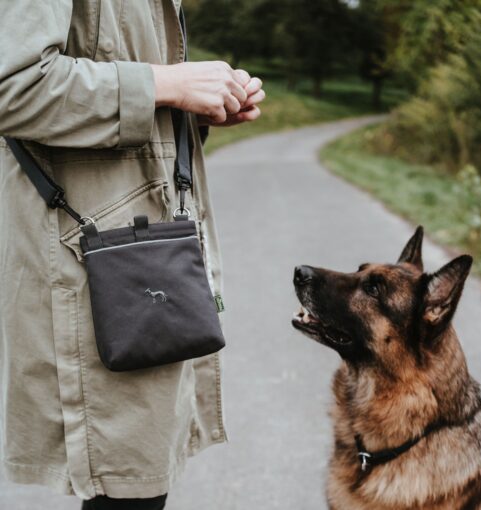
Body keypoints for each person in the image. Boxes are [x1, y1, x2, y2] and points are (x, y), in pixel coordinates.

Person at [0, 1, 265, 509]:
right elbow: (14, 85)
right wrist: (166, 84)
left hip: (145, 256)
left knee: (138, 487)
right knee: (127, 492)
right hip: (93, 263)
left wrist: (196, 104)